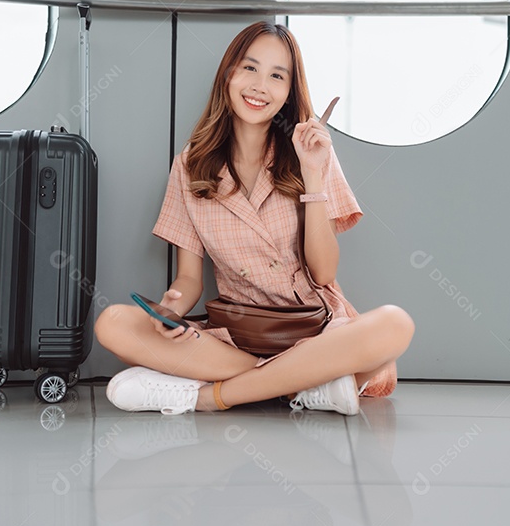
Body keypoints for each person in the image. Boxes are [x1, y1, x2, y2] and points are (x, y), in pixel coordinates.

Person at [94, 21, 415, 416]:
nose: (260, 85)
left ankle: (207, 397)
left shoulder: (312, 153)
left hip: (317, 333)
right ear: (228, 74)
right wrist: (172, 308)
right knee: (112, 322)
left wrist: (313, 174)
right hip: (238, 338)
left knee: (394, 326)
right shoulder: (189, 165)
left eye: (276, 76)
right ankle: (304, 386)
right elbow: (189, 278)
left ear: (288, 92)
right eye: (249, 68)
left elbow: (325, 269)